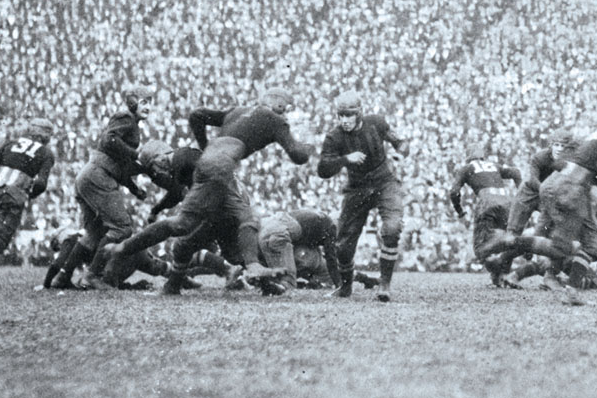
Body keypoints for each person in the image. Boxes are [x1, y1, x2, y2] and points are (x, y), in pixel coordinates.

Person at [106, 87, 314, 295]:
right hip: (222, 170)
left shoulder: (238, 111)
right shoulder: (275, 120)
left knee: (228, 226)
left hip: (214, 168)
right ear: (278, 105)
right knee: (217, 223)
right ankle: (252, 266)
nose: (285, 113)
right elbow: (298, 156)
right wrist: (308, 147)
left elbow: (196, 115)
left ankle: (145, 264)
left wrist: (206, 148)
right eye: (285, 109)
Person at [483, 100, 597, 305]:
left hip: (559, 182)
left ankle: (569, 291)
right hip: (573, 186)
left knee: (590, 241)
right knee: (567, 246)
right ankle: (507, 241)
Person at [318, 90, 410, 302]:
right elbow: (323, 169)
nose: (344, 120)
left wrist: (400, 152)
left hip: (383, 181)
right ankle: (346, 286)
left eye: (349, 115)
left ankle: (384, 284)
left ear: (359, 113)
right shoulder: (334, 136)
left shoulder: (375, 123)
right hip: (357, 187)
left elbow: (401, 143)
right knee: (342, 244)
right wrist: (345, 159)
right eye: (340, 115)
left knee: (392, 227)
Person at [64, 86, 156, 290]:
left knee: (94, 232)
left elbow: (118, 162)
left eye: (151, 102)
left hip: (91, 174)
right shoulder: (126, 117)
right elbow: (109, 140)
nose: (149, 106)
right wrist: (136, 155)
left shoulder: (130, 122)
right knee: (122, 227)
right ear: (133, 102)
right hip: (99, 175)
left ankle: (62, 276)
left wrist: (134, 188)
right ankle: (92, 276)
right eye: (144, 102)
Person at [0, 118, 57, 286]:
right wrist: (28, 195)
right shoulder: (46, 153)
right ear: (45, 135)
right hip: (14, 193)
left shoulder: (10, 143)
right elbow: (41, 184)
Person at [448, 147, 521, 285]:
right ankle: (501, 276)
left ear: (469, 158)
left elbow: (454, 192)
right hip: (506, 202)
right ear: (483, 158)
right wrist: (521, 194)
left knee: (480, 247)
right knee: (508, 239)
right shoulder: (494, 165)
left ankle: (497, 273)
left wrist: (460, 211)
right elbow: (516, 172)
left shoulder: (466, 168)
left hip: (487, 201)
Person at [256, 208, 342, 295]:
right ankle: (280, 285)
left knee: (279, 269)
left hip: (267, 228)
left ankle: (269, 282)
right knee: (289, 280)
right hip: (280, 232)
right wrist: (340, 285)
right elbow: (331, 258)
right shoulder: (330, 225)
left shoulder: (313, 220)